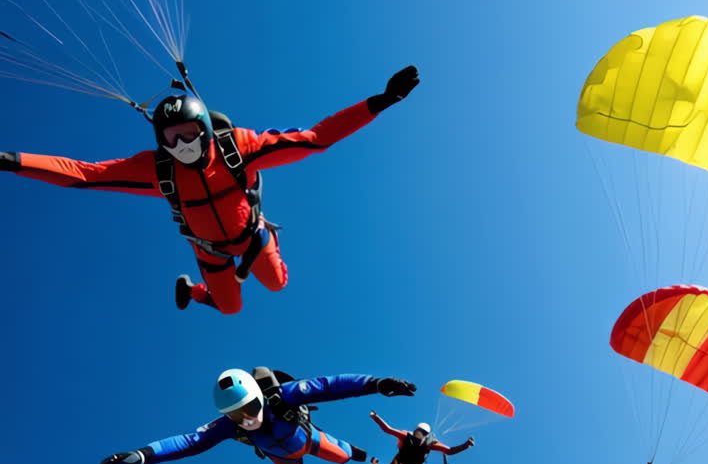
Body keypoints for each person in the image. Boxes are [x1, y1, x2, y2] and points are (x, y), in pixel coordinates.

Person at [0, 67, 419, 315]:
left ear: (205, 129)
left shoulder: (239, 148)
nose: (182, 144)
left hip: (252, 238)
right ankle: (197, 290)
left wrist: (379, 102)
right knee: (231, 308)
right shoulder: (158, 170)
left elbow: (315, 138)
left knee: (277, 285)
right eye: (172, 138)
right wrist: (13, 160)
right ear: (160, 141)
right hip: (211, 252)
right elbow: (85, 174)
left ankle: (258, 247)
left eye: (189, 133)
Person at [100, 368, 415, 464]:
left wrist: (376, 384)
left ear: (259, 397)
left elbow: (330, 386)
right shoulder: (230, 426)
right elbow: (191, 442)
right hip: (284, 457)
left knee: (343, 455)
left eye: (250, 408)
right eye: (236, 415)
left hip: (308, 439)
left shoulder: (283, 397)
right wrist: (142, 454)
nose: (247, 419)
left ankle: (353, 453)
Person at [369, 412, 474, 464]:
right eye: (418, 432)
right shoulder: (405, 435)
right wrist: (375, 417)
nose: (419, 435)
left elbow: (449, 451)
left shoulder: (430, 443)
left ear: (426, 435)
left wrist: (466, 445)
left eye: (422, 433)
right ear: (415, 431)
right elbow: (387, 429)